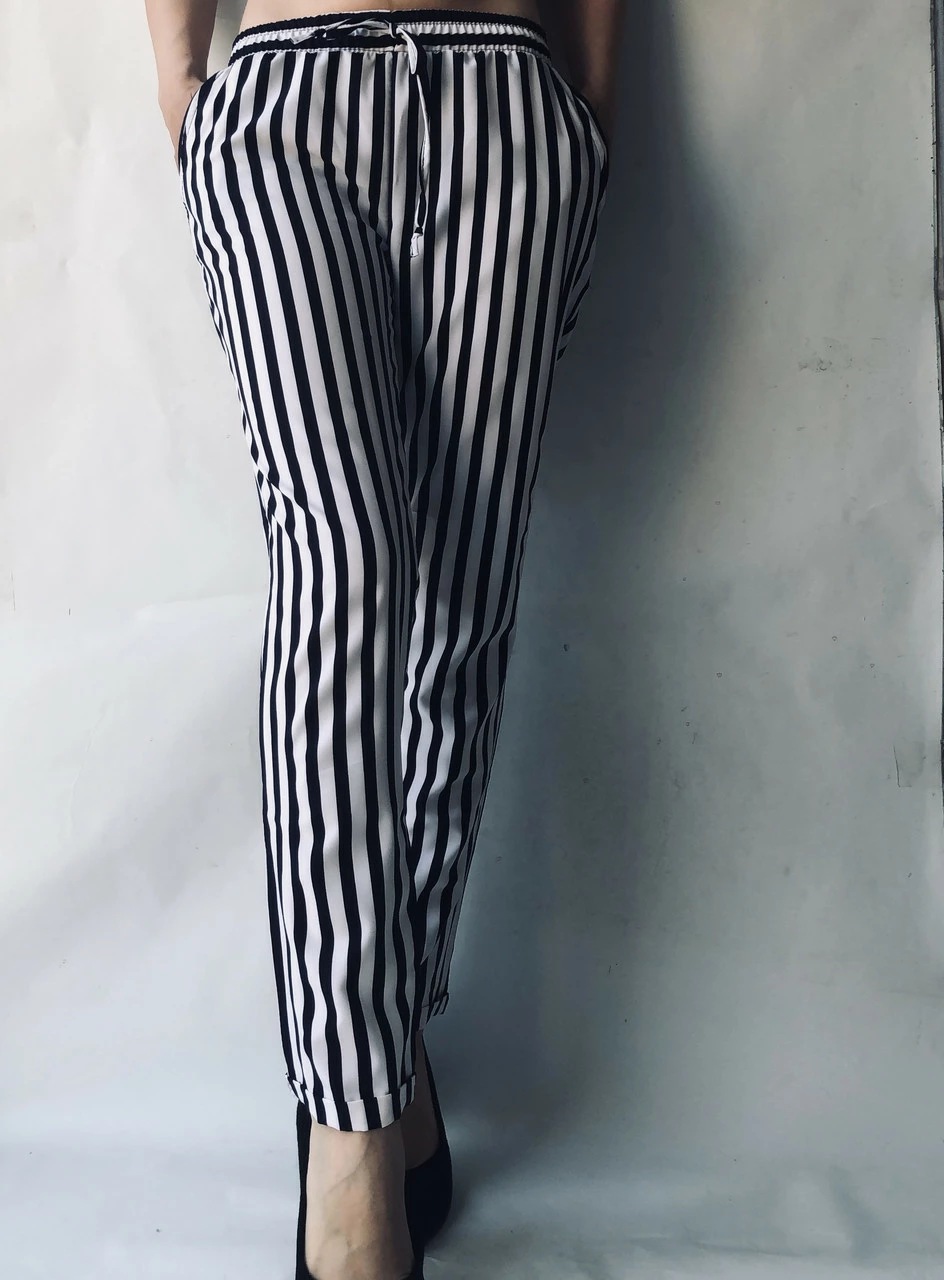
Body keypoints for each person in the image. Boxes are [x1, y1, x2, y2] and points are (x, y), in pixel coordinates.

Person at [144, 1, 623, 1276]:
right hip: (281, 109)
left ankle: (386, 1049)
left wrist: (590, 109)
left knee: (465, 594)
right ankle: (354, 1130)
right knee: (341, 563)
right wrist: (180, 81)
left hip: (511, 105)